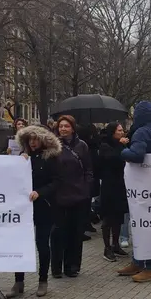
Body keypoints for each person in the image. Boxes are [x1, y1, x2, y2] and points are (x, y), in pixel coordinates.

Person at [116, 101, 151, 282]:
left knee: (145, 224)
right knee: (147, 224)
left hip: (143, 186)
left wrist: (123, 151)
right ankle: (138, 261)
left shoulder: (141, 132)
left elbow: (137, 155)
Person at [6, 125, 60, 298]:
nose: (33, 142)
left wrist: (40, 192)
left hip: (43, 206)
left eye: (36, 139)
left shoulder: (50, 158)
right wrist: (17, 162)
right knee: (20, 243)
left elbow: (56, 182)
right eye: (30, 139)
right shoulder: (22, 158)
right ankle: (18, 282)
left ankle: (42, 280)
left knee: (42, 245)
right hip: (22, 208)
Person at [51, 115, 93, 278]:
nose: (63, 129)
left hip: (79, 195)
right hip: (60, 195)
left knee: (76, 233)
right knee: (58, 232)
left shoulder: (82, 146)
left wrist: (87, 186)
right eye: (61, 126)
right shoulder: (53, 145)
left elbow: (88, 168)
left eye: (66, 126)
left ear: (73, 128)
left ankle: (72, 266)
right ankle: (56, 267)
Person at [98, 122, 130, 262]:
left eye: (122, 130)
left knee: (118, 217)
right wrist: (121, 145)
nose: (122, 132)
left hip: (120, 185)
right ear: (113, 132)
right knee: (108, 218)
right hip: (109, 186)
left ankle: (116, 244)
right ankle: (107, 248)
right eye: (119, 130)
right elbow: (113, 159)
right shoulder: (105, 146)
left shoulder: (120, 145)